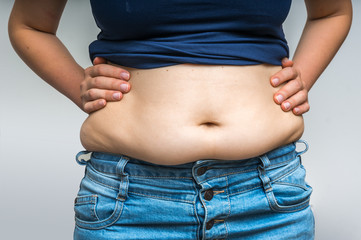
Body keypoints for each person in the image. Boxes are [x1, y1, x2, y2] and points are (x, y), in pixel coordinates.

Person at [8, 0, 352, 239]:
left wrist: (301, 77)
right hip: (131, 203)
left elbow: (332, 11)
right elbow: (30, 24)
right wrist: (80, 86)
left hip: (267, 199)